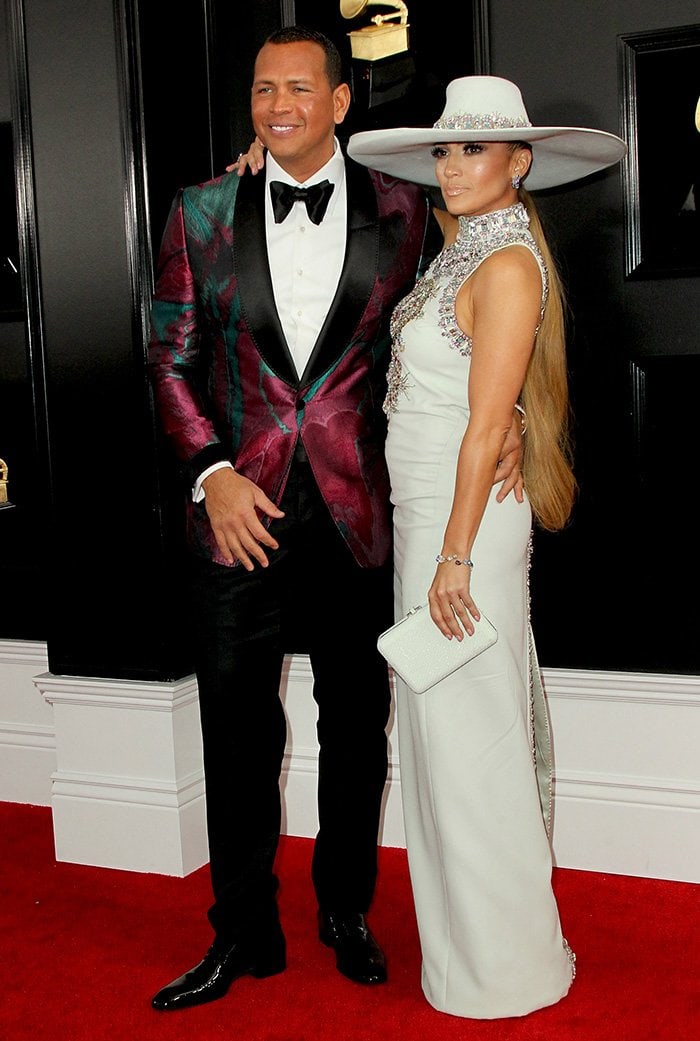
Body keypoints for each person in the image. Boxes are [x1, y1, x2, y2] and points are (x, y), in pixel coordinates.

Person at [147, 31, 523, 1012]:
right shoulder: (199, 210)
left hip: (363, 514)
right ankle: (241, 933)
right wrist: (210, 472)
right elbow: (168, 357)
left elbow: (477, 309)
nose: (278, 102)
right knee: (235, 731)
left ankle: (344, 912)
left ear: (341, 101)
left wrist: (513, 415)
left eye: (299, 86)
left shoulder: (408, 212)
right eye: (263, 86)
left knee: (357, 727)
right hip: (236, 517)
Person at [345, 76, 626, 1018]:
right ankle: (471, 955)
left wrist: (455, 554)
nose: (454, 166)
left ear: (521, 162)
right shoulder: (464, 251)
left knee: (472, 744)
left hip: (459, 528)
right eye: (446, 150)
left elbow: (484, 426)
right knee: (444, 739)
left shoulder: (504, 265)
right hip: (438, 516)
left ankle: (505, 967)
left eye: (476, 149)